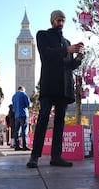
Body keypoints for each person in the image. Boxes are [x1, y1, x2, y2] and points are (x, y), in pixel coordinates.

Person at [26, 10, 84, 168]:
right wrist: (67, 50)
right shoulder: (42, 35)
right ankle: (34, 156)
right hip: (49, 85)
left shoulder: (67, 42)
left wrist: (78, 59)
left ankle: (56, 156)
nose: (61, 22)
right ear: (52, 20)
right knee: (43, 117)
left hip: (64, 88)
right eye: (58, 19)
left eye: (63, 20)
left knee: (60, 122)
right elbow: (46, 54)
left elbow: (68, 66)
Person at [12, 86, 31, 151]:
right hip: (23, 114)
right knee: (24, 130)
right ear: (23, 89)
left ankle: (17, 146)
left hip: (17, 115)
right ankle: (24, 146)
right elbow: (28, 104)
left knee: (16, 131)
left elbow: (13, 107)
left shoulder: (14, 96)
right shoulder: (24, 94)